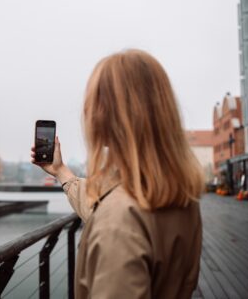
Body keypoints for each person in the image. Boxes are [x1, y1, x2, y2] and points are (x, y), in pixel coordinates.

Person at [31, 49, 203, 298]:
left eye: (93, 102)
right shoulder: (177, 194)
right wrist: (60, 171)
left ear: (108, 114)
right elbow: (103, 204)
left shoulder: (119, 222)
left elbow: (115, 218)